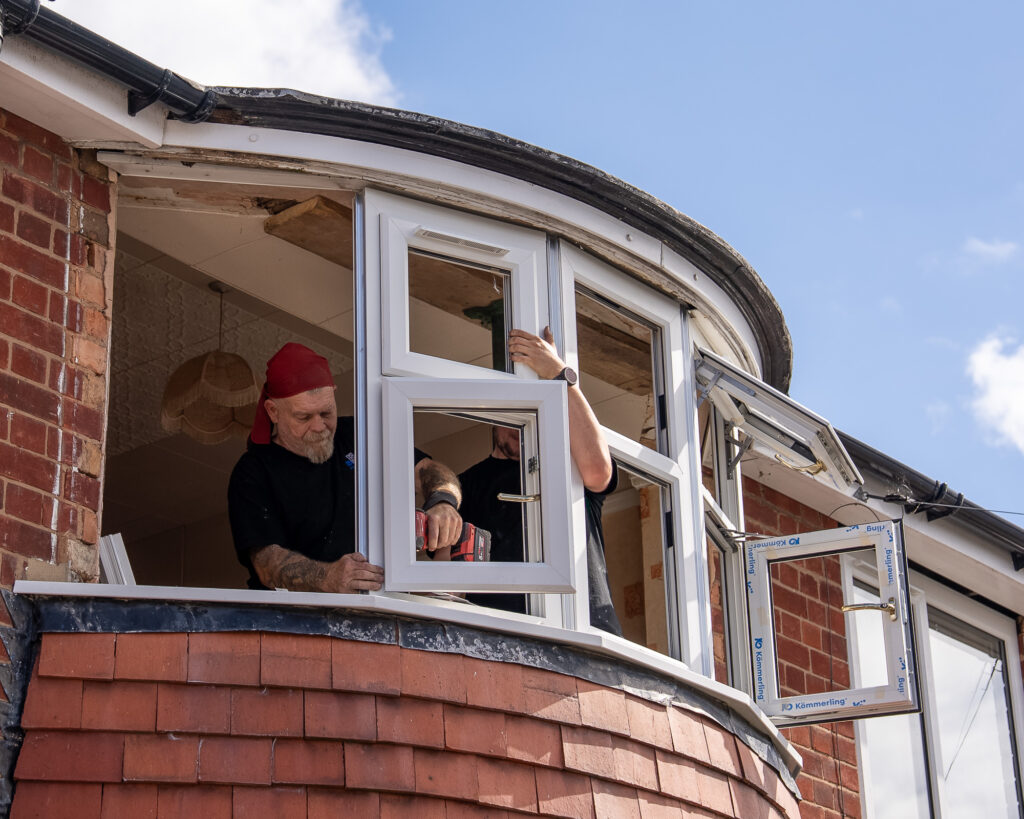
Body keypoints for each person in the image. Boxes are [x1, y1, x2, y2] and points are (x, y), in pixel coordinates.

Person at [228, 342, 462, 593]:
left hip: (378, 602)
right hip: (294, 612)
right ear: (273, 411)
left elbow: (428, 470)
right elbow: (266, 563)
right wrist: (327, 577)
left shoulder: (359, 433)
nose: (319, 426)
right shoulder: (253, 471)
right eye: (304, 417)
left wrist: (443, 501)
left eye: (326, 413)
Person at [458, 328, 623, 635]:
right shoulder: (466, 484)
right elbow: (448, 570)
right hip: (501, 636)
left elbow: (599, 470)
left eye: (532, 407)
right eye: (513, 410)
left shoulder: (568, 464)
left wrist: (559, 375)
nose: (521, 422)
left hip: (587, 629)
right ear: (493, 414)